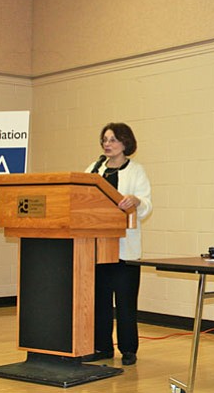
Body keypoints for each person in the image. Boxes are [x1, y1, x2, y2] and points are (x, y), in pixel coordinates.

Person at [83, 122, 152, 366]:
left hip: (125, 250)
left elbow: (146, 205)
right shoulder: (94, 168)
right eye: (105, 140)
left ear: (125, 143)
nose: (107, 144)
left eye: (112, 139)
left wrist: (135, 201)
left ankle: (128, 349)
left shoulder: (136, 171)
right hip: (96, 248)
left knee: (125, 303)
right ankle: (102, 347)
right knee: (100, 302)